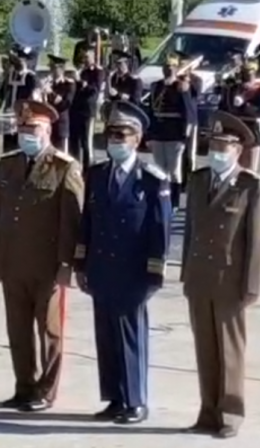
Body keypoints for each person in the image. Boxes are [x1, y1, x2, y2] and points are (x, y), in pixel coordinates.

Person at [75, 101, 171, 425]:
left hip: (133, 271)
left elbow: (160, 229)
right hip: (101, 266)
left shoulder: (152, 179)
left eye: (123, 134)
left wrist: (154, 273)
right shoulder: (97, 174)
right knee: (106, 335)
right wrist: (81, 263)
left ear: (137, 138)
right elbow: (87, 221)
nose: (115, 140)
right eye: (111, 134)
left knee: (131, 335)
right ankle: (115, 397)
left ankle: (135, 400)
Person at [0, 100, 84, 412]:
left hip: (47, 264)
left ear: (48, 131)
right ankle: (24, 386)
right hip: (13, 262)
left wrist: (66, 264)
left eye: (34, 129)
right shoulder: (9, 164)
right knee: (17, 329)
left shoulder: (64, 167)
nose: (27, 134)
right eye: (23, 128)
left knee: (49, 331)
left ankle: (46, 390)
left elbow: (72, 219)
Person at [180, 110, 260, 439]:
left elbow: (257, 241)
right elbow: (191, 230)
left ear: (238, 150)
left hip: (230, 280)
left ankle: (230, 413)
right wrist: (185, 274)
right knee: (205, 348)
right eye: (213, 146)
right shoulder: (199, 179)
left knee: (229, 349)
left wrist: (251, 285)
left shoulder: (250, 185)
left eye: (224, 147)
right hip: (200, 277)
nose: (217, 153)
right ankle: (208, 411)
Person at [147, 53, 196, 211]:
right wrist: (148, 134)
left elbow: (187, 111)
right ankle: (162, 196)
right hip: (158, 132)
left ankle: (174, 202)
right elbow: (151, 111)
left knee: (174, 171)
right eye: (166, 66)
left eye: (171, 66)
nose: (168, 69)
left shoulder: (181, 87)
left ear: (176, 68)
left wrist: (185, 135)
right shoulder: (156, 86)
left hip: (175, 133)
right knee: (160, 169)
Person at [219, 55, 260, 171]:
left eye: (250, 73)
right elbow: (224, 107)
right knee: (230, 168)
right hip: (234, 129)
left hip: (250, 129)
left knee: (249, 170)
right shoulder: (233, 87)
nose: (247, 76)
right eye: (245, 73)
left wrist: (246, 106)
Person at [0, 47, 37, 153]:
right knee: (7, 141)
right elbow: (3, 91)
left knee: (20, 141)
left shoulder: (30, 77)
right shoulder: (11, 74)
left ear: (25, 61)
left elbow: (33, 97)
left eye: (21, 59)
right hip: (9, 111)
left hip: (23, 114)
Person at [69, 50, 104, 169]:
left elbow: (94, 90)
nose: (85, 60)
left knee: (86, 142)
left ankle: (88, 168)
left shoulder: (98, 72)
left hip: (88, 111)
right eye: (83, 57)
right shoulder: (82, 71)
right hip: (76, 110)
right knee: (74, 141)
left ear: (93, 57)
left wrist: (80, 81)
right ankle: (76, 166)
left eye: (87, 57)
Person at [44, 54, 75, 152]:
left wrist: (51, 93)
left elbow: (65, 104)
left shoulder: (68, 84)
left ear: (61, 69)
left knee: (62, 153)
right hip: (49, 124)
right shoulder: (48, 83)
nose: (51, 71)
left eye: (54, 68)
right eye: (51, 67)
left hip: (61, 124)